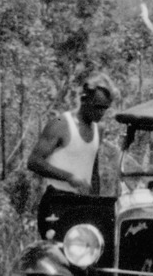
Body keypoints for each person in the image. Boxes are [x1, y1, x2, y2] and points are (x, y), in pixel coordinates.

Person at [27, 72, 116, 238]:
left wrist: (95, 203)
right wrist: (69, 177)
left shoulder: (99, 129)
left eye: (105, 108)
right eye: (97, 107)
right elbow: (33, 161)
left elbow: (94, 171)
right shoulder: (60, 124)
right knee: (57, 256)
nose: (101, 113)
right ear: (84, 100)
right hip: (57, 201)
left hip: (83, 203)